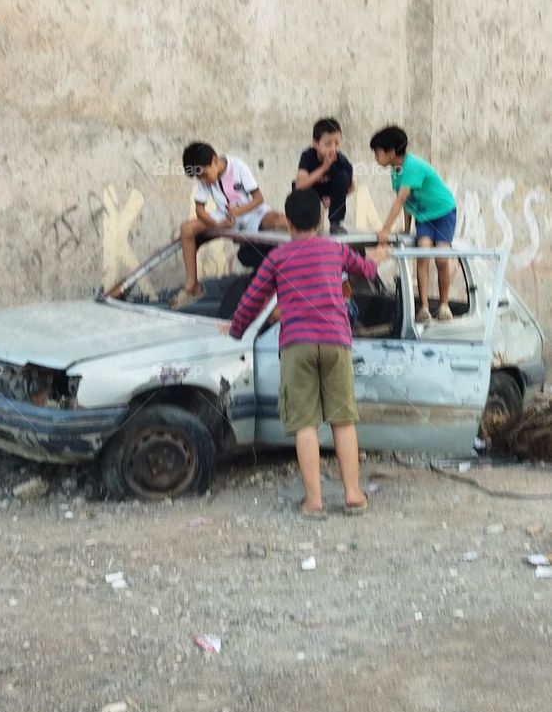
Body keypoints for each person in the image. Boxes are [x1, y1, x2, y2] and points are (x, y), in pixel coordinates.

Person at [225, 188, 390, 516]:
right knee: (343, 422)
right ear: (320, 220)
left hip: (297, 345)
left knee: (305, 426)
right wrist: (378, 256)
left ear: (287, 223)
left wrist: (235, 329)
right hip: (335, 342)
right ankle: (354, 494)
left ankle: (314, 501)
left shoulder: (277, 258)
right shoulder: (335, 251)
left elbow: (252, 300)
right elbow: (367, 271)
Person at [171, 142, 286, 309]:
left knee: (280, 222)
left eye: (204, 175)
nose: (203, 180)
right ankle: (192, 286)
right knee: (186, 228)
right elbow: (199, 209)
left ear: (214, 161)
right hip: (224, 217)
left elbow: (258, 198)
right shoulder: (204, 178)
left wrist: (239, 211)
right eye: (199, 178)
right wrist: (216, 224)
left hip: (252, 212)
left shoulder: (238, 166)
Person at [369, 125, 457, 326]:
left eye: (377, 152)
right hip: (424, 216)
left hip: (443, 212)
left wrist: (385, 229)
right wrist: (407, 227)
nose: (376, 157)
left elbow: (401, 199)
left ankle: (444, 304)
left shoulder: (412, 167)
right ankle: (424, 307)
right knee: (423, 253)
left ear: (390, 152)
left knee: (442, 258)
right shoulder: (395, 171)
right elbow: (408, 203)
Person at [294, 117, 354, 233]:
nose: (333, 149)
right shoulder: (308, 156)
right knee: (296, 193)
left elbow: (351, 187)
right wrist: (323, 168)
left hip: (328, 193)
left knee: (343, 177)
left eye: (337, 143)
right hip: (311, 193)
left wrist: (333, 199)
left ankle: (335, 223)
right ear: (316, 144)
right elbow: (299, 185)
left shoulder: (342, 161)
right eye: (327, 144)